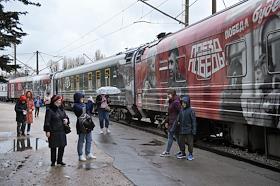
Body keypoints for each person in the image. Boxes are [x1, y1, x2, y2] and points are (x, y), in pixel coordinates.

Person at [44, 95, 69, 166]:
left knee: (62, 146)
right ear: (54, 101)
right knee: (53, 147)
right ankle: (53, 161)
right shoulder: (49, 110)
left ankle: (59, 161)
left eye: (60, 100)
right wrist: (47, 131)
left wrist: (67, 120)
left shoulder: (61, 109)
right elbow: (47, 121)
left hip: (61, 131)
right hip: (53, 131)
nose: (59, 102)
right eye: (58, 100)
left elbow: (66, 117)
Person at [73, 92, 96, 161]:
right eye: (81, 97)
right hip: (81, 124)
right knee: (81, 140)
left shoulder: (83, 104)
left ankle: (88, 153)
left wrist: (91, 103)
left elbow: (89, 110)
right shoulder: (76, 105)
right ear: (78, 98)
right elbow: (83, 110)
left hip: (88, 123)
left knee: (89, 139)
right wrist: (89, 102)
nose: (82, 98)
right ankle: (80, 155)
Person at [160, 89, 181, 157]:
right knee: (177, 137)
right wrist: (166, 121)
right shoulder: (172, 101)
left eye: (169, 94)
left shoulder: (176, 102)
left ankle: (167, 152)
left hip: (174, 122)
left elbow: (180, 112)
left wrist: (177, 121)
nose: (168, 96)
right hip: (172, 121)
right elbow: (170, 113)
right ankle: (182, 151)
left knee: (170, 137)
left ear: (172, 94)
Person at [175, 96, 197, 160]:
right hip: (181, 130)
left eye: (185, 103)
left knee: (190, 143)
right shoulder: (181, 110)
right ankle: (183, 153)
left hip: (189, 130)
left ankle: (190, 154)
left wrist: (194, 130)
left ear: (188, 103)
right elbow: (178, 119)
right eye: (182, 103)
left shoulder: (191, 111)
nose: (183, 104)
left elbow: (194, 121)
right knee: (181, 142)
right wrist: (176, 124)